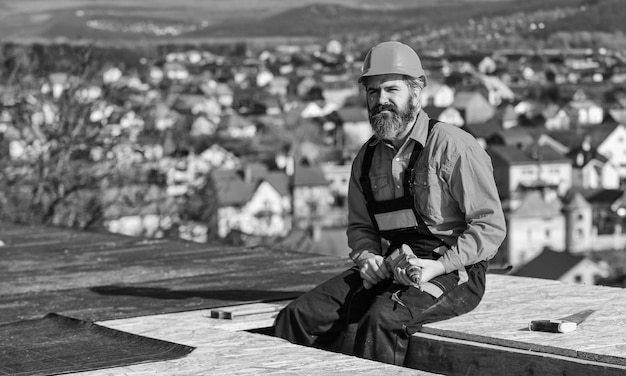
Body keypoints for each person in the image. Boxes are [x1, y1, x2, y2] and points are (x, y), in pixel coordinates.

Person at [274, 41, 506, 366]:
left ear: (416, 91)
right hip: (393, 265)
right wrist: (368, 257)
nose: (381, 100)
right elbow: (360, 227)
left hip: (455, 269)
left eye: (391, 89)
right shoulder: (366, 160)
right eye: (373, 92)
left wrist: (436, 267)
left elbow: (489, 227)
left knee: (381, 321)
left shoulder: (453, 148)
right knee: (299, 317)